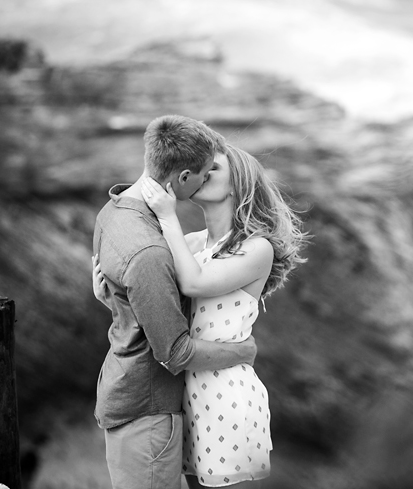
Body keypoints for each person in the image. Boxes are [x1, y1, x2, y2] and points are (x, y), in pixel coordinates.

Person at [91, 115, 258, 489]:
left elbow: (134, 299)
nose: (206, 181)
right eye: (202, 173)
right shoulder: (150, 251)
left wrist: (113, 301)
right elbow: (175, 353)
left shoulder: (113, 211)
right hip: (147, 413)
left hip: (127, 395)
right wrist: (243, 353)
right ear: (182, 178)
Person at [127, 143, 306, 487]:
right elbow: (149, 295)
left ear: (238, 184)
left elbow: (194, 283)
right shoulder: (191, 244)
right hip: (181, 391)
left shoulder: (257, 248)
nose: (201, 174)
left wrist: (167, 216)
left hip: (224, 394)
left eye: (213, 170)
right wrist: (105, 290)